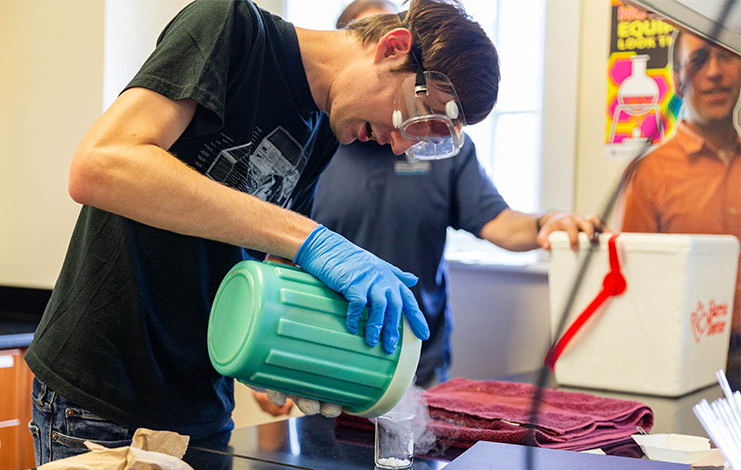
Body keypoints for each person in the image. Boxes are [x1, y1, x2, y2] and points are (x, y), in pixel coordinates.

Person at [24, 0, 502, 465]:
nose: (398, 144)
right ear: (393, 48)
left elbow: (268, 261)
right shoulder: (230, 29)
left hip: (203, 405)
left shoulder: (321, 130)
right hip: (102, 399)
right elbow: (100, 166)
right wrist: (311, 237)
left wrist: (299, 360)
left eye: (420, 138)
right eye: (408, 117)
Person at [251, 1, 605, 411]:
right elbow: (273, 249)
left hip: (420, 362)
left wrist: (549, 222)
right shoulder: (314, 140)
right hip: (330, 358)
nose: (401, 135)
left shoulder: (444, 149)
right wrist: (270, 351)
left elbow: (499, 221)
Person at [620, 28, 741, 385]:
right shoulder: (648, 172)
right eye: (699, 60)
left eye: (727, 56)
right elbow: (633, 287)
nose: (715, 72)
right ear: (677, 80)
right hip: (684, 366)